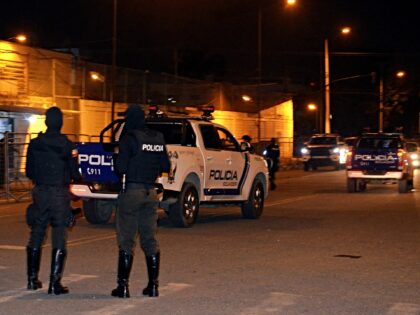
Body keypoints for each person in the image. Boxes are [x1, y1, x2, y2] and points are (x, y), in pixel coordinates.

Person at [111, 104, 170, 298]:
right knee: (149, 238)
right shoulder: (158, 137)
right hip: (151, 193)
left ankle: (123, 287)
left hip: (132, 191)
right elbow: (165, 165)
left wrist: (116, 157)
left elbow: (120, 168)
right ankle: (153, 286)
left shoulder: (129, 139)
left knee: (126, 239)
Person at [25, 106, 81, 295]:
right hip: (59, 194)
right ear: (61, 122)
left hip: (40, 192)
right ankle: (54, 283)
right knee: (59, 235)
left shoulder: (35, 143)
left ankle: (32, 280)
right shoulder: (67, 145)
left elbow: (29, 172)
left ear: (47, 122)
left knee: (36, 234)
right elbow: (74, 173)